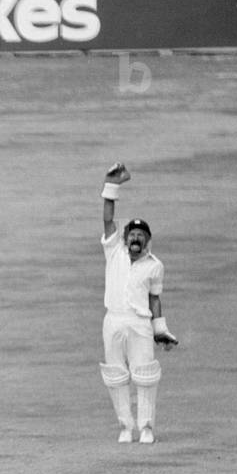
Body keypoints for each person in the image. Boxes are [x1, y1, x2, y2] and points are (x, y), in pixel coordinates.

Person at [98, 163, 179, 444]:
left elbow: (155, 298)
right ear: (125, 238)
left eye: (140, 235)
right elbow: (108, 219)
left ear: (147, 240)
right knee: (116, 375)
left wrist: (160, 330)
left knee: (145, 376)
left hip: (140, 323)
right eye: (131, 234)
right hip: (114, 320)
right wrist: (112, 186)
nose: (135, 238)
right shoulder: (114, 252)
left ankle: (146, 427)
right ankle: (125, 426)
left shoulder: (155, 266)